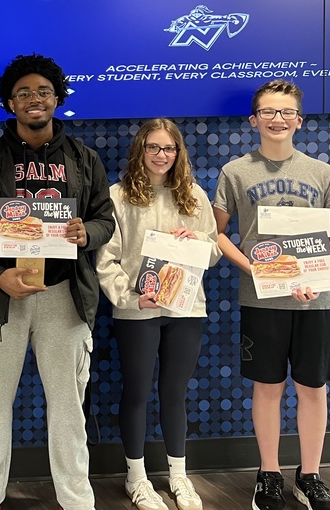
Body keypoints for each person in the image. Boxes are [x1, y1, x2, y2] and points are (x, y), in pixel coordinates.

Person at [0, 53, 115, 510]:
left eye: (43, 91)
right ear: (8, 102)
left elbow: (106, 218)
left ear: (57, 98)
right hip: (3, 298)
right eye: (23, 93)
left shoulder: (84, 159)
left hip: (64, 296)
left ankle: (77, 501)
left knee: (68, 409)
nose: (34, 100)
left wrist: (89, 232)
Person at [212, 80, 330, 510]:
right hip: (262, 299)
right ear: (254, 120)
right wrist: (253, 266)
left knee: (313, 388)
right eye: (269, 112)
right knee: (268, 387)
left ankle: (309, 476)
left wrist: (321, 274)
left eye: (286, 112)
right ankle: (268, 474)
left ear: (299, 121)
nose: (278, 119)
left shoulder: (321, 172)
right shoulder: (235, 172)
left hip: (315, 299)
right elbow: (216, 233)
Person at [96, 119, 221, 510]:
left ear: (178, 152)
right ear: (140, 150)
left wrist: (197, 240)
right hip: (138, 311)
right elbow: (105, 259)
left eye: (169, 149)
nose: (162, 155)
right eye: (154, 147)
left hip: (185, 309)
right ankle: (137, 478)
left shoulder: (194, 196)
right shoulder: (117, 196)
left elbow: (215, 250)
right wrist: (130, 297)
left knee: (174, 393)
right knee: (136, 392)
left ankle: (178, 476)